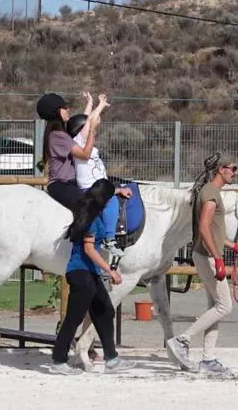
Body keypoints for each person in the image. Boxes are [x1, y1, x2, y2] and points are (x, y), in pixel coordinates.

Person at [165, 152, 238, 374]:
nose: (235, 173)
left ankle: (208, 359)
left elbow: (212, 230)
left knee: (215, 307)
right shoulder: (210, 193)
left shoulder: (211, 191)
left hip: (207, 254)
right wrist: (219, 259)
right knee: (224, 306)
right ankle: (182, 340)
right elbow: (203, 228)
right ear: (222, 169)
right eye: (233, 168)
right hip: (209, 257)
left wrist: (230, 245)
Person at [49, 178, 137, 375]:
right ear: (104, 199)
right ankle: (58, 360)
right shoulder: (91, 219)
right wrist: (110, 270)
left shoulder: (89, 212)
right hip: (81, 272)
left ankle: (112, 358)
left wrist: (116, 191)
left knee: (105, 311)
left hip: (89, 272)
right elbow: (89, 249)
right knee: (74, 317)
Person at [66, 91, 133, 259]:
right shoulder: (78, 141)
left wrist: (89, 103)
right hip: (91, 188)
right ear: (81, 131)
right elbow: (88, 121)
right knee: (110, 200)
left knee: (114, 193)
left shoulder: (81, 140)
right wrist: (101, 105)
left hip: (99, 186)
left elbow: (85, 119)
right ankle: (109, 239)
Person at [36, 92, 99, 210]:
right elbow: (85, 154)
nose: (68, 109)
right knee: (88, 206)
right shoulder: (59, 136)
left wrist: (90, 103)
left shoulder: (58, 132)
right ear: (57, 112)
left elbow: (82, 123)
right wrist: (93, 130)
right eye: (64, 107)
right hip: (61, 185)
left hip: (68, 184)